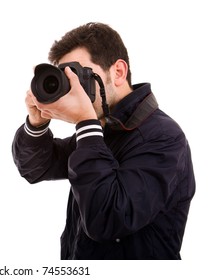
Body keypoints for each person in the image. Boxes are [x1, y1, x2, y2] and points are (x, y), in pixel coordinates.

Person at [11, 22, 195, 260]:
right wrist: (37, 123)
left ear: (118, 72)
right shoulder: (103, 129)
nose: (72, 89)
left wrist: (85, 122)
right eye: (66, 78)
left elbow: (108, 219)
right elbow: (35, 168)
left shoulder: (164, 137)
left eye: (78, 75)